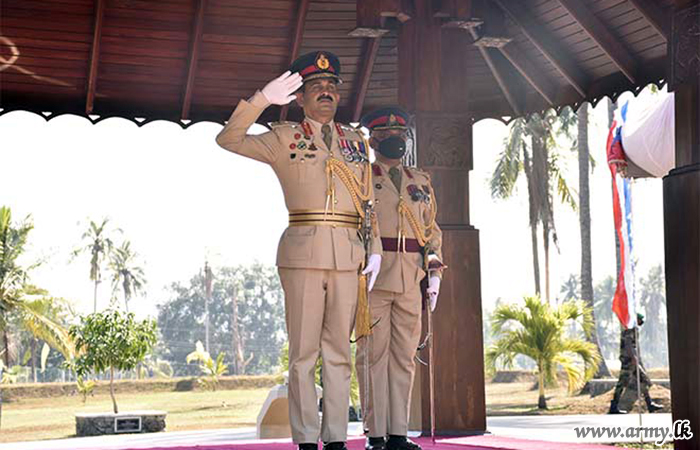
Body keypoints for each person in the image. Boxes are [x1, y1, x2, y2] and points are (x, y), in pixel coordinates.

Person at [215, 51, 383, 450]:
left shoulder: (356, 142)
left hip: (348, 256)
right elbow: (228, 139)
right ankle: (307, 440)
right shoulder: (283, 137)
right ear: (299, 98)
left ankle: (338, 439)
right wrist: (261, 100)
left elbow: (369, 202)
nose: (325, 93)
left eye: (331, 87)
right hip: (303, 255)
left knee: (339, 354)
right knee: (304, 355)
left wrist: (373, 248)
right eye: (315, 88)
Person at [355, 107, 445, 450]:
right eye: (388, 136)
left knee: (405, 357)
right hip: (374, 275)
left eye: (401, 135)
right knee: (373, 356)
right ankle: (374, 434)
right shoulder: (361, 176)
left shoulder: (419, 180)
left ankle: (397, 433)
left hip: (411, 275)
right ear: (373, 140)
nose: (396, 141)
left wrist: (433, 270)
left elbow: (430, 230)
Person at [608, 313, 663, 414]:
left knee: (643, 380)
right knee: (622, 383)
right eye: (639, 320)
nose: (640, 323)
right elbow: (628, 344)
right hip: (629, 361)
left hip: (632, 360)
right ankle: (614, 406)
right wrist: (634, 358)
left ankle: (649, 404)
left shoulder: (632, 328)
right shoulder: (630, 329)